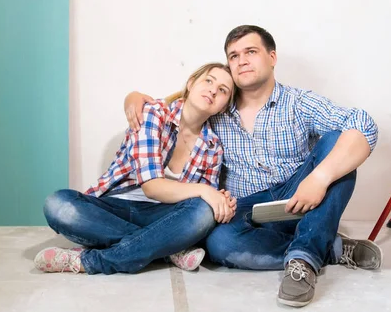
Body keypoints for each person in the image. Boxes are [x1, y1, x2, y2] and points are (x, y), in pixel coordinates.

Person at [124, 25, 382, 307]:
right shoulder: (217, 106)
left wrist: (319, 178)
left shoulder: (298, 102)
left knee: (339, 142)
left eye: (251, 52)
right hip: (248, 209)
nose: (241, 60)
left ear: (272, 57)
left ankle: (303, 261)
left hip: (302, 195)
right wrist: (134, 97)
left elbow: (362, 124)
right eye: (233, 56)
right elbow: (179, 108)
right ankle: (330, 247)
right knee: (219, 243)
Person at [34, 62, 238, 275]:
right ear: (190, 84)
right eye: (208, 80)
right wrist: (205, 191)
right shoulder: (155, 114)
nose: (213, 90)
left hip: (163, 215)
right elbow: (152, 187)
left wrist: (221, 201)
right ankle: (167, 249)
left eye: (223, 90)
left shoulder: (213, 147)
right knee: (57, 205)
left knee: (203, 212)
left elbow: (203, 203)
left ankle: (93, 261)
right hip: (114, 207)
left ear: (223, 106)